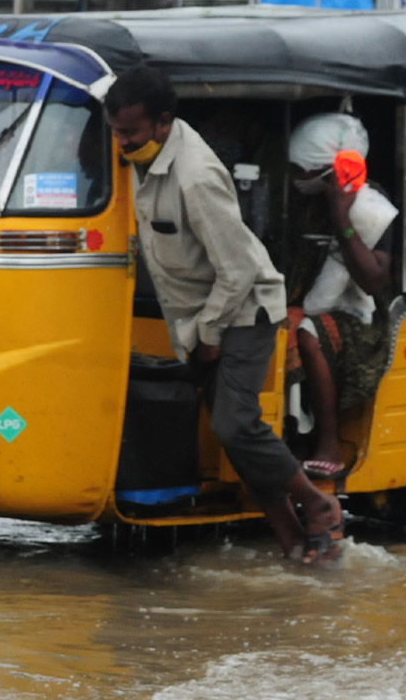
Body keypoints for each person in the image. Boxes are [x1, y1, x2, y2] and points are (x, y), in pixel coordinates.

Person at [104, 65, 343, 562]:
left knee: (236, 426)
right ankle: (293, 543)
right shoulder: (140, 156)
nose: (120, 141)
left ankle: (318, 504)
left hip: (242, 312)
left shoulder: (196, 178)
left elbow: (236, 270)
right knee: (233, 438)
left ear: (163, 124)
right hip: (197, 320)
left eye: (129, 131)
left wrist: (210, 332)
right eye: (115, 130)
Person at [285, 112, 398, 481]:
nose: (296, 178)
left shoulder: (371, 207)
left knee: (308, 333)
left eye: (302, 170)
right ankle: (291, 436)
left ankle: (328, 442)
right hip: (310, 302)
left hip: (363, 318)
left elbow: (372, 280)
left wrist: (342, 218)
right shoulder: (308, 202)